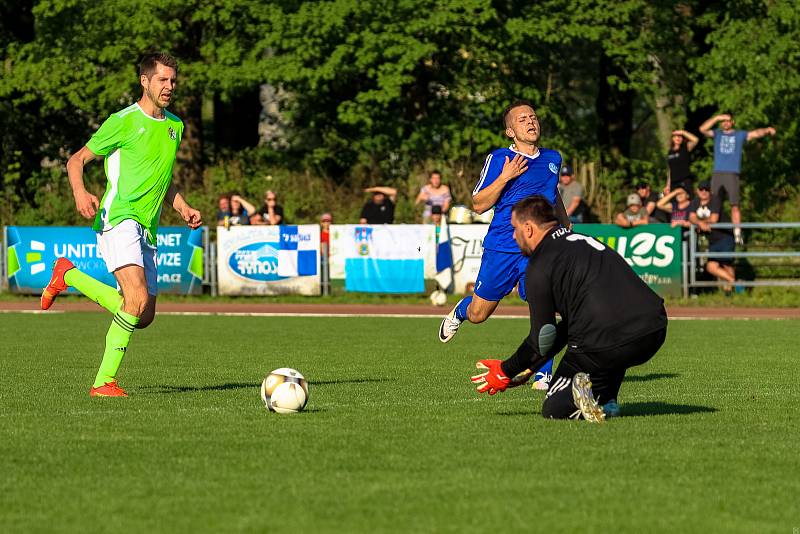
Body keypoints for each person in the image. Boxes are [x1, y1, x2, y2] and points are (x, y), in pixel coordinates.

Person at [40, 52, 202, 397]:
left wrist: (182, 206)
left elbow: (163, 179)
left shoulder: (175, 126)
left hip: (148, 226)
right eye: (162, 79)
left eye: (173, 80)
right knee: (136, 298)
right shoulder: (123, 120)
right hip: (119, 218)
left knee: (142, 315)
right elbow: (76, 160)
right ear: (145, 81)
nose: (169, 86)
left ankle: (67, 275)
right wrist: (80, 192)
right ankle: (103, 382)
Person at [470, 196, 667, 421]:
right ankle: (606, 400)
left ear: (529, 228)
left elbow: (542, 338)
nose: (514, 236)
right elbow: (571, 324)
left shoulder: (539, 265)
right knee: (605, 335)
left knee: (553, 408)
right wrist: (529, 368)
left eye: (515, 229)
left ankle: (588, 399)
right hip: (654, 327)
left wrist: (505, 370)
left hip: (606, 340)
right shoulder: (582, 240)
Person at [438, 100, 570, 390]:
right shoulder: (499, 159)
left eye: (533, 117)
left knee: (547, 306)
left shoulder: (553, 158)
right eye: (522, 119)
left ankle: (543, 373)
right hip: (502, 246)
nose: (530, 122)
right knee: (479, 314)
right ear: (511, 131)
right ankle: (462, 310)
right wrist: (506, 177)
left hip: (538, 246)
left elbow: (552, 193)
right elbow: (478, 204)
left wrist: (563, 219)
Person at [699, 113, 776, 244]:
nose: (725, 123)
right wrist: (717, 118)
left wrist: (767, 130)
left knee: (734, 205)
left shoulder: (739, 135)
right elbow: (702, 129)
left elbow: (755, 133)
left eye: (727, 121)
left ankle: (737, 233)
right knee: (711, 204)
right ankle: (705, 233)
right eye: (723, 121)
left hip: (732, 173)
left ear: (732, 122)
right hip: (717, 173)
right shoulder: (718, 133)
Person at [688, 180, 736, 294]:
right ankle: (734, 282)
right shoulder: (695, 202)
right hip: (713, 240)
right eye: (701, 189)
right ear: (697, 191)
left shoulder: (715, 200)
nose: (704, 192)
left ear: (710, 191)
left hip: (725, 236)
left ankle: (731, 292)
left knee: (726, 264)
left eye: (706, 189)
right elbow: (691, 217)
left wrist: (700, 222)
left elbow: (713, 219)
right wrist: (701, 224)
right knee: (711, 266)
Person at [666, 129, 699, 194]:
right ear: (672, 138)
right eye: (675, 136)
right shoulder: (670, 152)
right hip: (674, 183)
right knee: (674, 203)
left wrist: (683, 132)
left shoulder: (686, 147)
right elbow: (670, 169)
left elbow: (696, 140)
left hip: (685, 181)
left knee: (689, 201)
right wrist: (668, 185)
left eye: (680, 136)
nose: (678, 138)